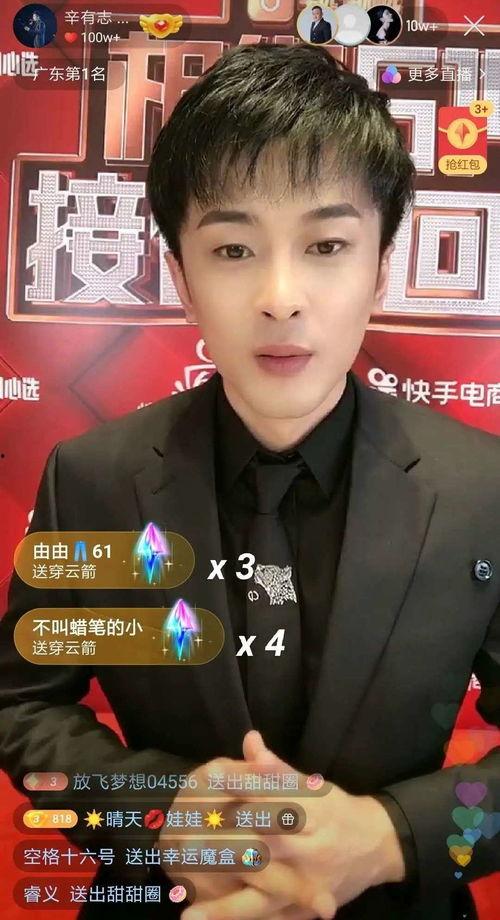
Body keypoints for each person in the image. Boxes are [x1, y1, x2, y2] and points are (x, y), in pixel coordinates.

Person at [0, 42, 499, 920]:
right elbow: (22, 704)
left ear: (382, 265)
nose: (280, 296)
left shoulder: (481, 489)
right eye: (233, 249)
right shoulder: (93, 478)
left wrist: (395, 837)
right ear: (182, 276)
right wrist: (160, 816)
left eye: (327, 244)